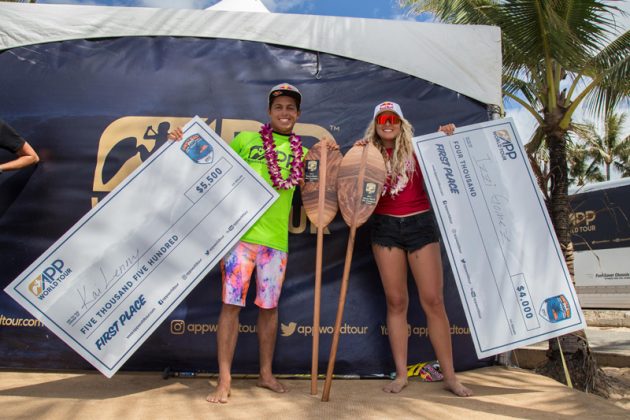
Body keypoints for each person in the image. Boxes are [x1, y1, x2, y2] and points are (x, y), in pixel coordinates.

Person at [169, 83, 336, 404]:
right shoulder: (246, 140)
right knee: (231, 306)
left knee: (269, 309)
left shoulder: (304, 153)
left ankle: (266, 374)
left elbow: (324, 188)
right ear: (269, 112)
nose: (284, 112)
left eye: (290, 108)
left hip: (276, 242)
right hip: (239, 238)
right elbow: (210, 166)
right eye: (279, 107)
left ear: (298, 114)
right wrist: (180, 143)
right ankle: (225, 380)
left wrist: (335, 153)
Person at [360, 101, 473, 397]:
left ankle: (449, 376)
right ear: (376, 124)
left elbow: (451, 166)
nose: (388, 123)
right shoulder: (367, 154)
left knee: (433, 301)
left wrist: (446, 138)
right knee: (396, 302)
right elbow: (351, 188)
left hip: (419, 224)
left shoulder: (420, 149)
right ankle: (401, 375)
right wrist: (355, 156)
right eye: (382, 118)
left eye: (393, 119)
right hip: (384, 227)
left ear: (401, 123)